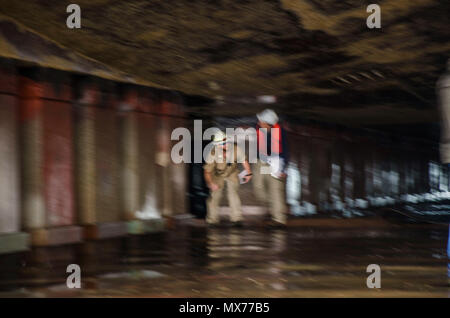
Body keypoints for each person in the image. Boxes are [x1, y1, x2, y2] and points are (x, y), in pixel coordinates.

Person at [203, 130, 252, 227]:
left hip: (231, 173)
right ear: (217, 145)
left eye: (226, 142)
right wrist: (211, 183)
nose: (225, 145)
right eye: (222, 143)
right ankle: (212, 220)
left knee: (233, 193)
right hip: (218, 174)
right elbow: (207, 172)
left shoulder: (235, 148)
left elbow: (244, 160)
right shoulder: (212, 153)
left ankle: (237, 219)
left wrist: (249, 173)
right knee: (214, 196)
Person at [253, 109, 289, 226]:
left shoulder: (281, 133)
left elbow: (285, 152)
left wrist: (283, 169)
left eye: (261, 122)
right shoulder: (258, 128)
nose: (258, 123)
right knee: (258, 188)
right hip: (261, 162)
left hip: (275, 163)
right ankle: (274, 205)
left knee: (275, 190)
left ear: (269, 124)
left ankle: (279, 219)